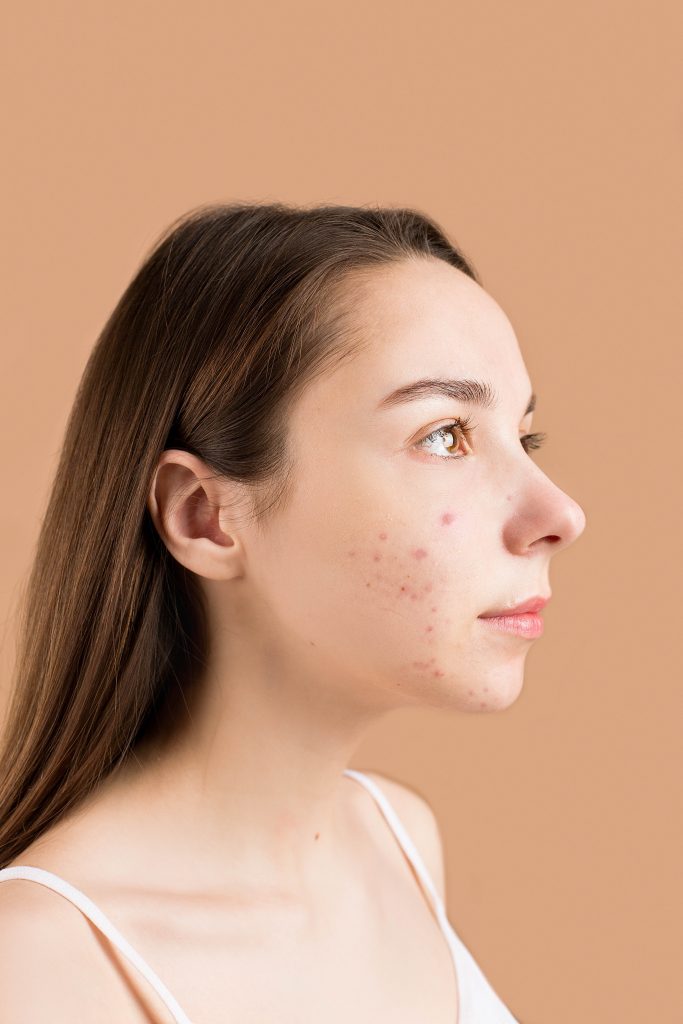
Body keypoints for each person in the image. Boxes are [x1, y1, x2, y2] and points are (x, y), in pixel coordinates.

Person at [0, 201, 585, 1022]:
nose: (559, 513)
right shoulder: (42, 965)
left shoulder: (398, 841)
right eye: (445, 434)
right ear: (204, 516)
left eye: (522, 439)